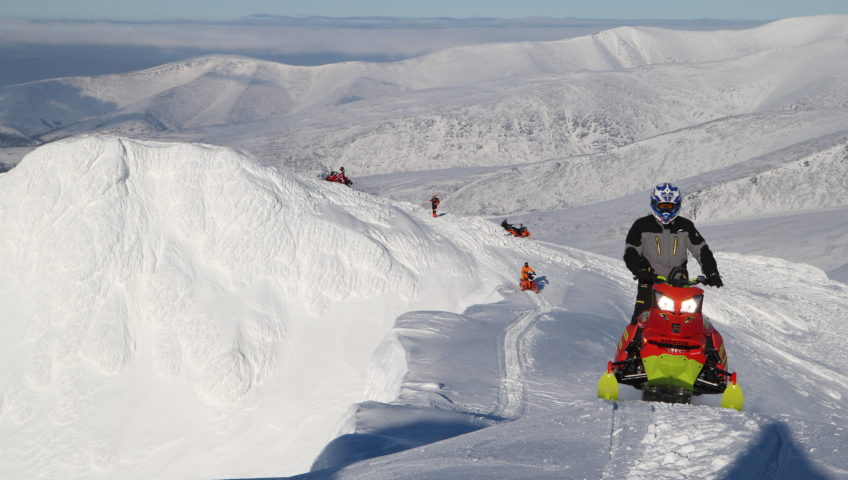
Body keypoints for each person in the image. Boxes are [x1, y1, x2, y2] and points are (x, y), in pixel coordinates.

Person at [623, 183, 723, 325]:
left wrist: (712, 273)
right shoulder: (641, 225)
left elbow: (702, 250)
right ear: (654, 204)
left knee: (690, 323)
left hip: (680, 285)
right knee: (640, 323)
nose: (665, 209)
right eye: (662, 205)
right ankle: (632, 347)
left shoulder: (685, 226)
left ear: (677, 206)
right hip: (650, 283)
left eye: (669, 206)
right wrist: (640, 271)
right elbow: (631, 252)